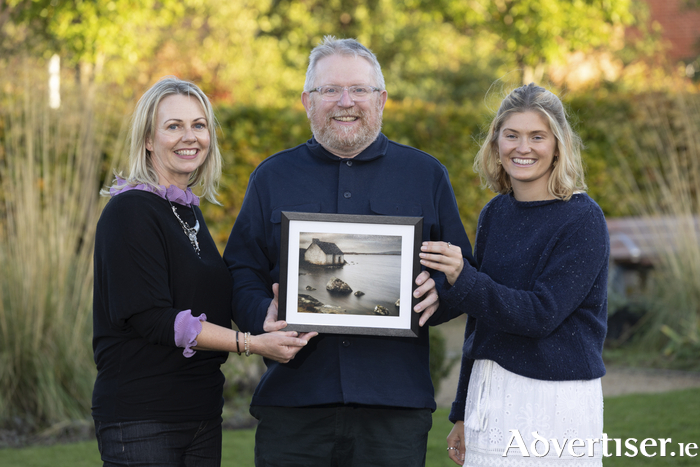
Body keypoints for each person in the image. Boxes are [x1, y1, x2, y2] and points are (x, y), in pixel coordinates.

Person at [222, 36, 476, 466]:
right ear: (307, 100)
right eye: (330, 90)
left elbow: (460, 270)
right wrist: (260, 313)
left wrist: (442, 290)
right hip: (294, 403)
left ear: (381, 99)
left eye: (359, 89)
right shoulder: (271, 177)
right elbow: (240, 269)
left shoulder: (426, 175)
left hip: (393, 407)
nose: (345, 101)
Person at [92, 77, 315, 467]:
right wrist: (251, 343)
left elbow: (203, 299)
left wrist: (266, 314)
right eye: (173, 126)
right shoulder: (129, 212)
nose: (189, 137)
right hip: (143, 415)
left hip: (200, 411)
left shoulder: (186, 211)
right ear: (148, 139)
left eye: (199, 125)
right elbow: (154, 319)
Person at [420, 83, 609, 466]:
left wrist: (463, 276)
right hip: (488, 395)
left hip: (554, 401)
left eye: (537, 136)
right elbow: (481, 320)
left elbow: (541, 313)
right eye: (512, 135)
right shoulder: (495, 214)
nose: (523, 148)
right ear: (496, 143)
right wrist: (460, 410)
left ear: (558, 145)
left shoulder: (582, 219)